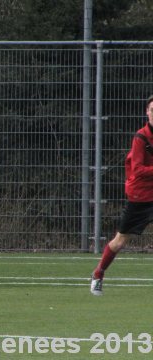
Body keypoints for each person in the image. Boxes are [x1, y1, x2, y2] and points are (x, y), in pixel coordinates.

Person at [91, 95, 153, 296]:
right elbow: (138, 170)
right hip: (141, 197)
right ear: (147, 112)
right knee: (120, 241)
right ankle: (99, 273)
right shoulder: (141, 137)